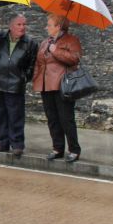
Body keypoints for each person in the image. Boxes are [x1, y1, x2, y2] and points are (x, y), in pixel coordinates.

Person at [0, 13, 38, 158]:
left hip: (15, 83)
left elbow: (32, 65)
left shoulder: (30, 43)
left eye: (24, 24)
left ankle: (17, 144)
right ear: (11, 26)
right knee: (1, 114)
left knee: (16, 115)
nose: (22, 27)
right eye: (19, 24)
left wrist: (24, 78)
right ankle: (2, 142)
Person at [32, 13, 82, 162]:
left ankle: (74, 149)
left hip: (62, 85)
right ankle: (57, 148)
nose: (46, 27)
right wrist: (36, 78)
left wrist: (55, 50)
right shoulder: (45, 42)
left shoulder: (71, 40)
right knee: (52, 119)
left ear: (58, 27)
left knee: (66, 119)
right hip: (46, 86)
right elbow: (39, 62)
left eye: (49, 25)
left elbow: (75, 59)